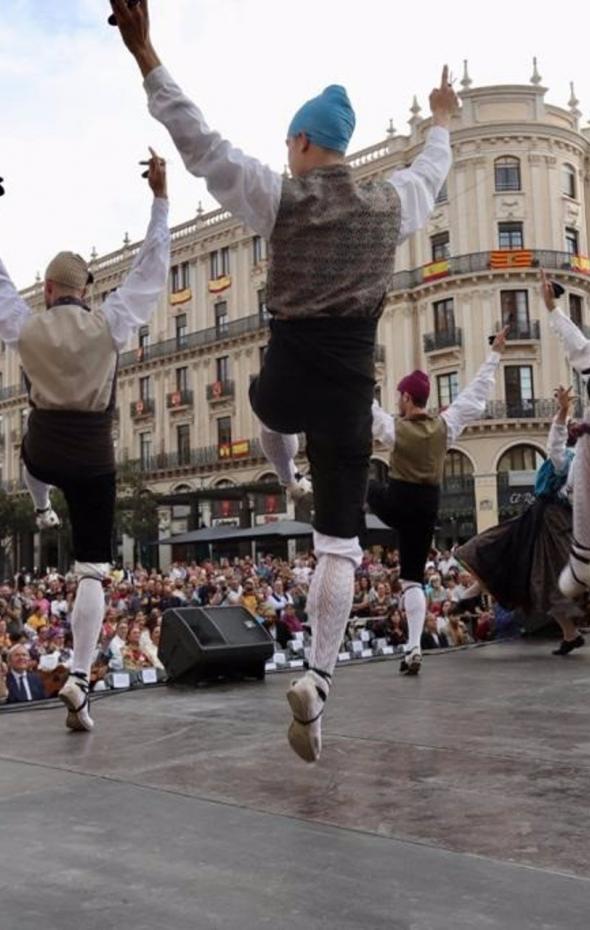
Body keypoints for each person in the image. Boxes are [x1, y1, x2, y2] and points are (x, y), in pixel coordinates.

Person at [109, 0, 457, 763]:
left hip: (286, 377)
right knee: (339, 550)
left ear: (301, 142)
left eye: (289, 143)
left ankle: (282, 467)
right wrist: (441, 118)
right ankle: (319, 683)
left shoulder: (277, 195)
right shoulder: (389, 204)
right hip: (348, 396)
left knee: (267, 415)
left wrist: (146, 55)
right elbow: (433, 171)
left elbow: (199, 141)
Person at [0, 151, 170, 731]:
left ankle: (42, 505)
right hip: (95, 454)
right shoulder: (111, 322)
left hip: (45, 445)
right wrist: (160, 199)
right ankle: (78, 676)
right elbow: (151, 270)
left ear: (47, 289)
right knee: (92, 570)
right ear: (83, 292)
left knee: (26, 452)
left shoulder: (25, 325)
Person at [369, 329, 507, 676]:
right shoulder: (445, 424)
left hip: (397, 499)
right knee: (412, 580)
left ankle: (315, 493)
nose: (398, 400)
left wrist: (354, 371)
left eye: (400, 395)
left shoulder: (394, 427)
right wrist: (494, 355)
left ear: (405, 397)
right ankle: (414, 647)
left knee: (365, 483)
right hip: (427, 505)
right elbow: (476, 394)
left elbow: (368, 411)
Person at [455, 386, 585, 655]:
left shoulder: (568, 462)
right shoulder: (576, 464)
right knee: (523, 567)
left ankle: (470, 595)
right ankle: (569, 634)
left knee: (532, 573)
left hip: (549, 522)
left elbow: (555, 444)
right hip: (550, 522)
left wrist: (562, 411)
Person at [541, 270, 590, 597]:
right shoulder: (571, 462)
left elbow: (579, 349)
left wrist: (552, 309)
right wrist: (563, 413)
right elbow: (580, 349)